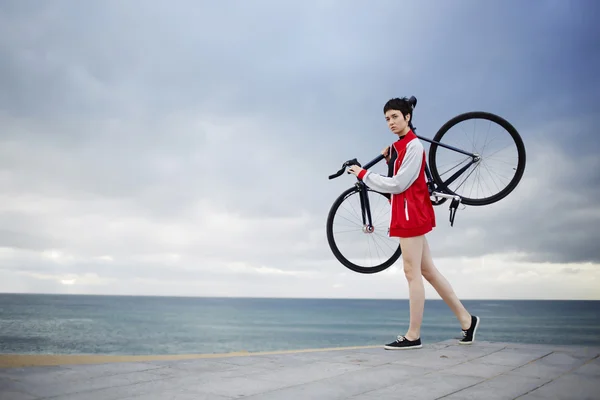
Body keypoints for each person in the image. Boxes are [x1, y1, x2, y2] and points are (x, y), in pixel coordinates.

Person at [347, 97, 479, 350]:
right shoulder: (402, 146)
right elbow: (398, 178)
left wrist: (363, 173)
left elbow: (399, 184)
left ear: (407, 117)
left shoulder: (414, 146)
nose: (391, 122)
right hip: (407, 212)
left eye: (395, 116)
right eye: (387, 119)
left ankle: (413, 335)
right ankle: (467, 320)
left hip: (411, 215)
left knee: (411, 272)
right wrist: (389, 160)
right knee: (427, 271)